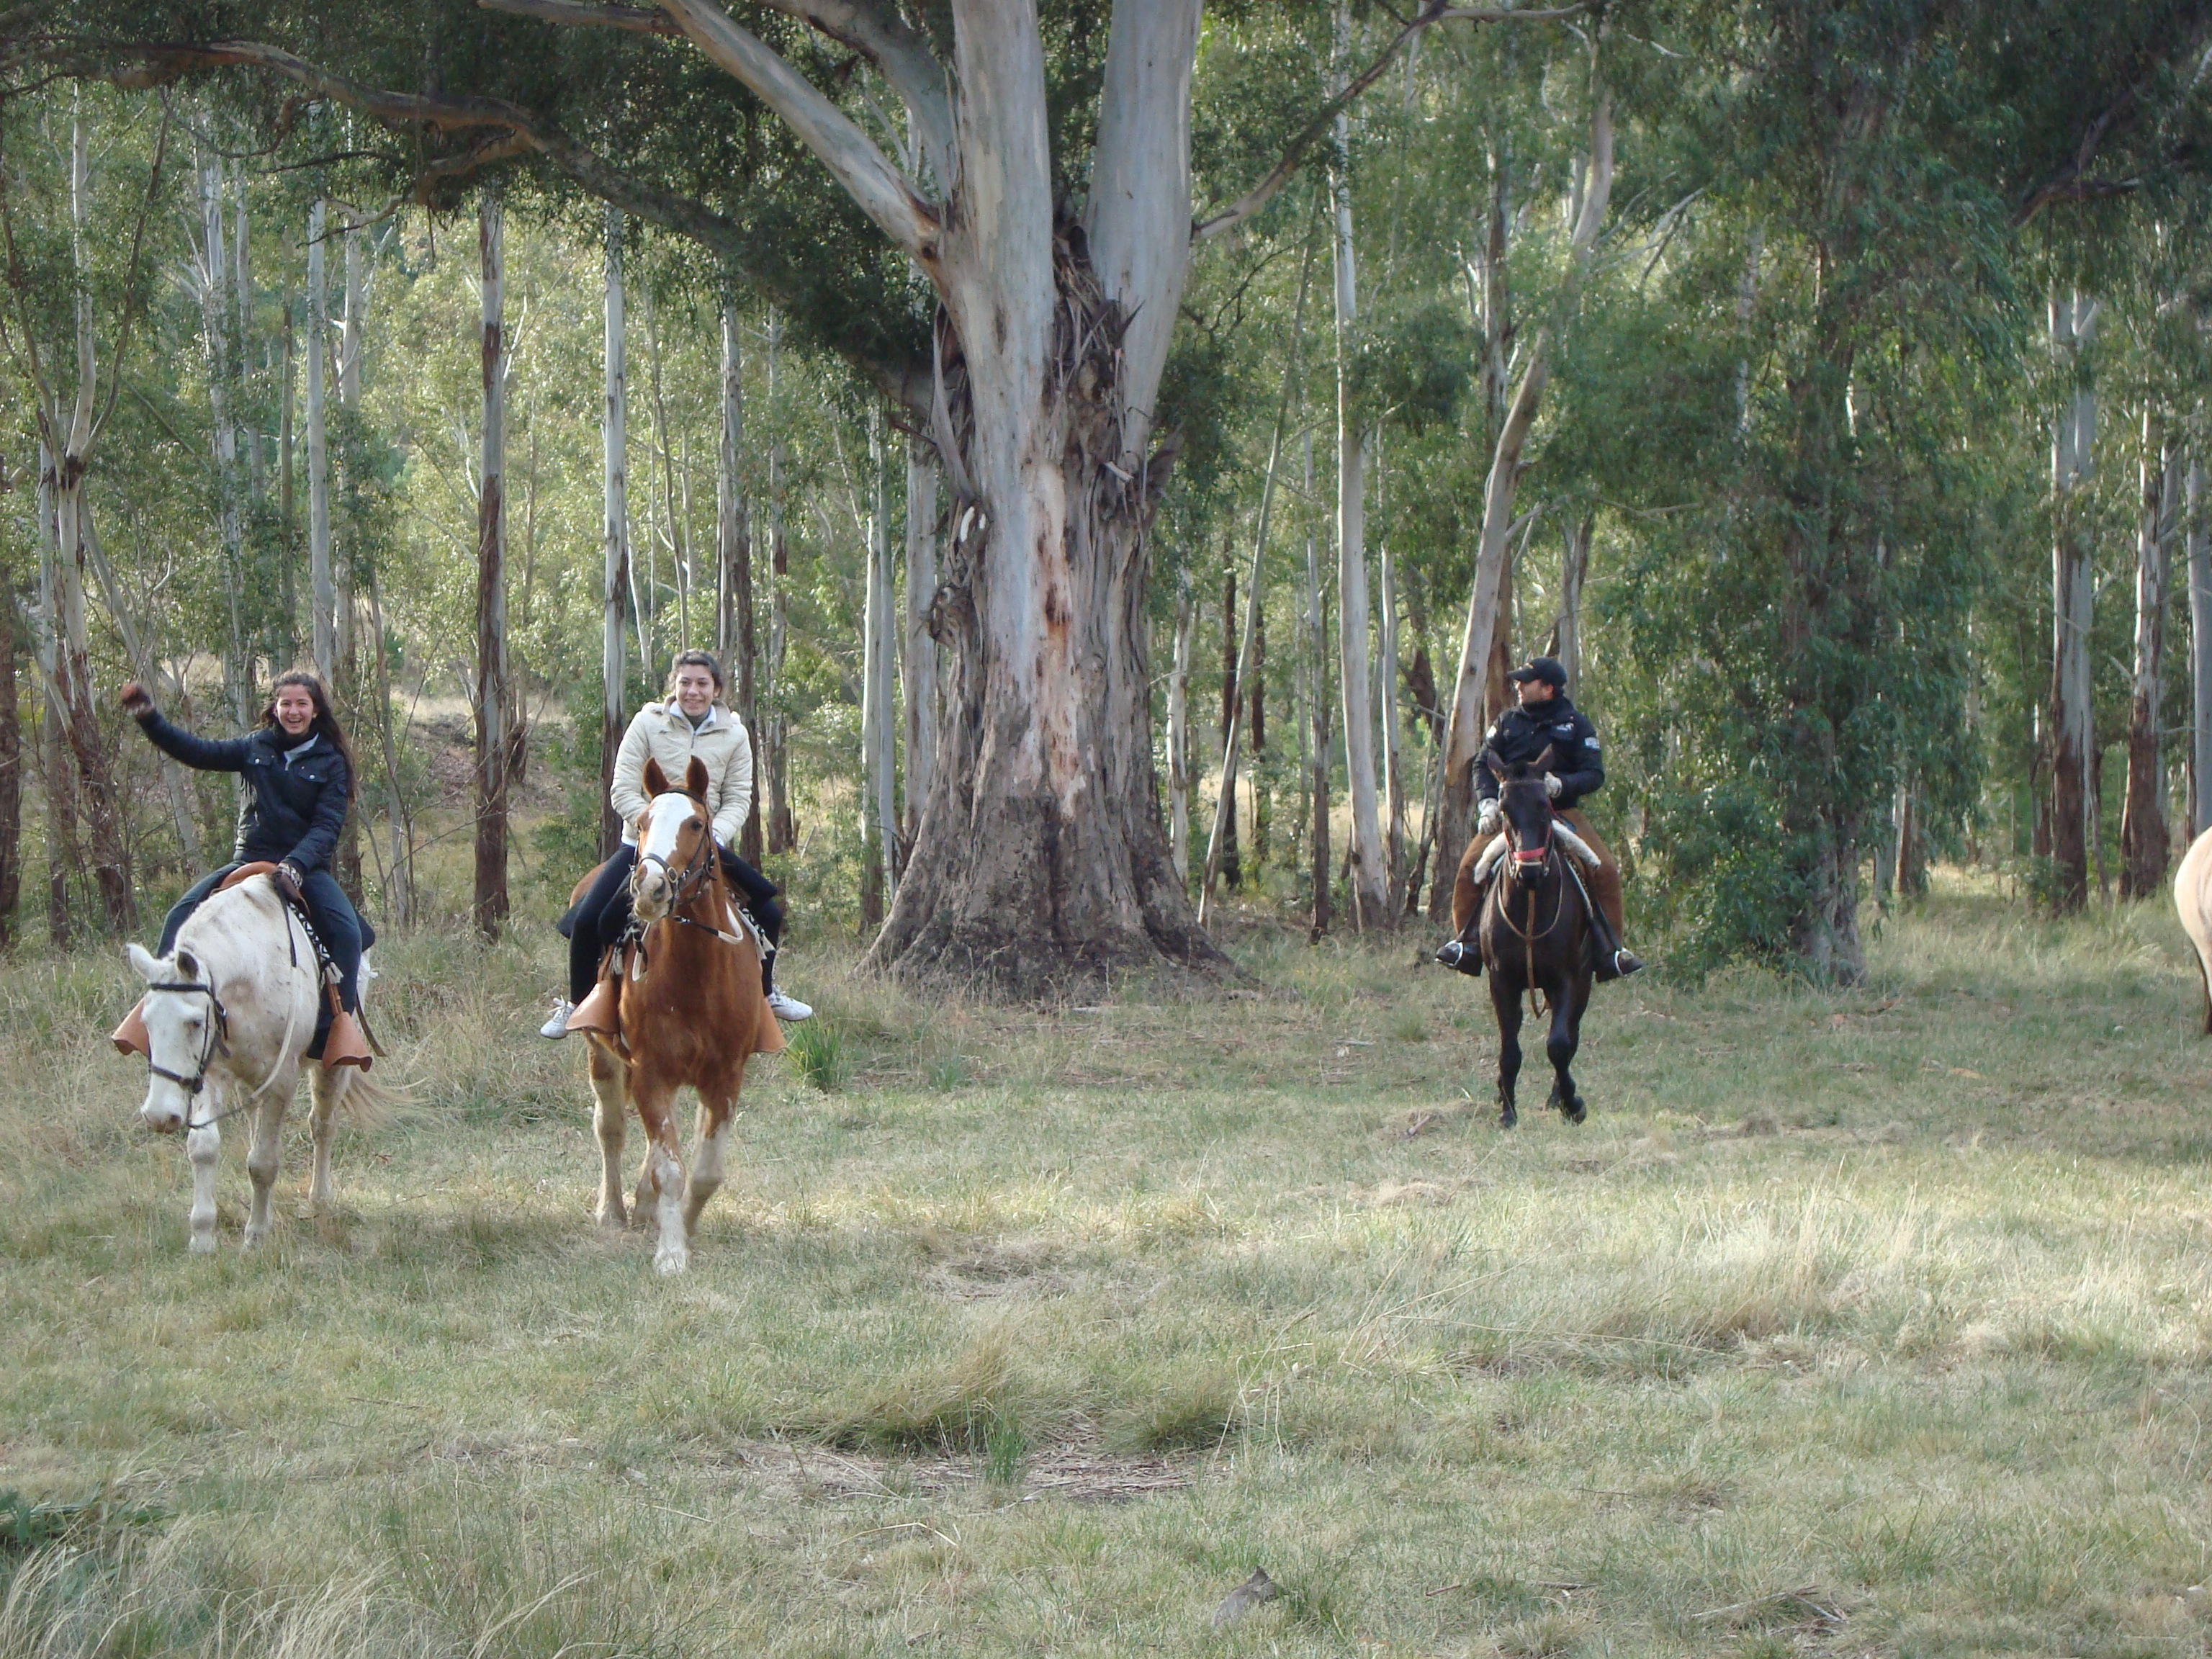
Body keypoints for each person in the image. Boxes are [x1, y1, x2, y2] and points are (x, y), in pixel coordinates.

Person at [541, 649, 811, 1037]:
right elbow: (622, 788)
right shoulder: (647, 723)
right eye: (685, 682)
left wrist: (710, 835)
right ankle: (578, 1004)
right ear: (674, 685)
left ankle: (766, 994)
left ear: (716, 689)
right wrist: (654, 828)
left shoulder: (735, 734)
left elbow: (739, 798)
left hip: (703, 844)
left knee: (768, 912)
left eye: (702, 683)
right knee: (590, 920)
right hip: (645, 845)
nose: (693, 691)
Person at [120, 672, 374, 1055]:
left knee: (348, 934)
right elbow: (195, 751)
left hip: (305, 868)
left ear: (316, 710)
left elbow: (327, 826)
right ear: (275, 708)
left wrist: (296, 865)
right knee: (179, 916)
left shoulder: (331, 761)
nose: (293, 711)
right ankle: (162, 1011)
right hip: (250, 859)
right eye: (286, 703)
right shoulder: (255, 746)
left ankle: (332, 1035)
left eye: (301, 704)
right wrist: (148, 718)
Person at [1435, 655, 1644, 980]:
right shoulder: (1507, 721)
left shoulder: (1577, 725)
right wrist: (1488, 803)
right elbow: (1482, 763)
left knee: (1605, 870)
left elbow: (1594, 773)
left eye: (1525, 682)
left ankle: (1611, 952)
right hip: (1512, 814)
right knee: (1468, 870)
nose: (1518, 687)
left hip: (1560, 811)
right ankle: (1467, 945)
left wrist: (1561, 785)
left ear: (1548, 689)